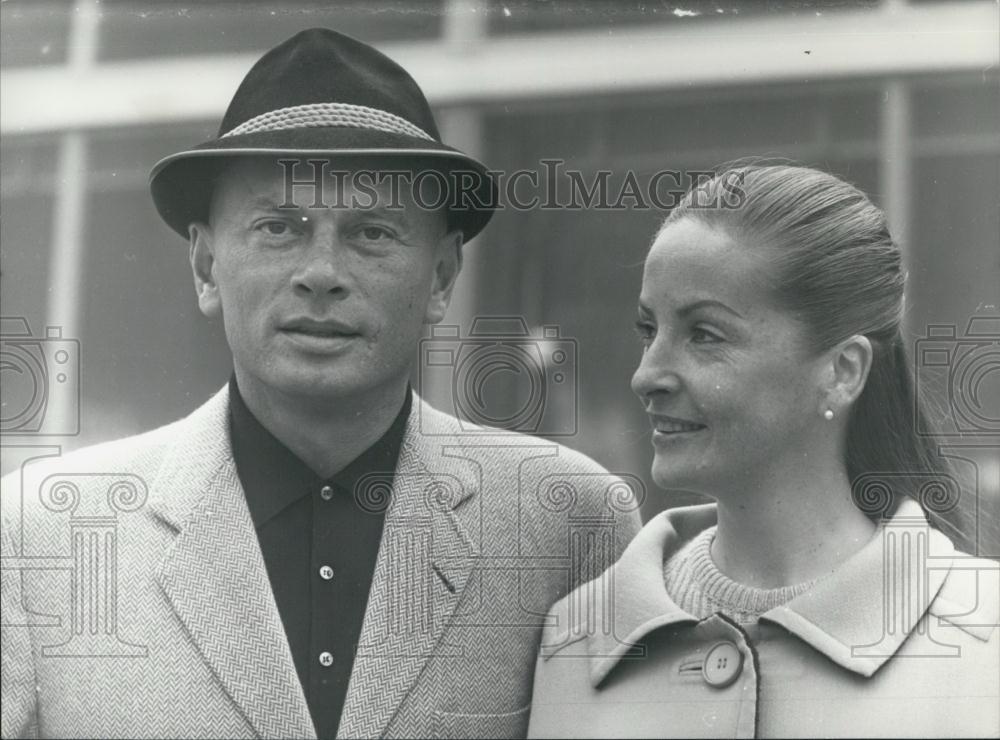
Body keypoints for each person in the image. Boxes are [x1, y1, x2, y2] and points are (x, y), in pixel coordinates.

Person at [0, 29, 642, 739]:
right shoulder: (41, 532)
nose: (322, 271)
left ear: (441, 278)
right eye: (279, 228)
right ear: (206, 266)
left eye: (372, 232)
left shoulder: (567, 521)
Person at [527, 164, 999, 738]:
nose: (647, 375)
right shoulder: (570, 641)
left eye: (705, 334)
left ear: (841, 371)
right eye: (648, 330)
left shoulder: (984, 638)